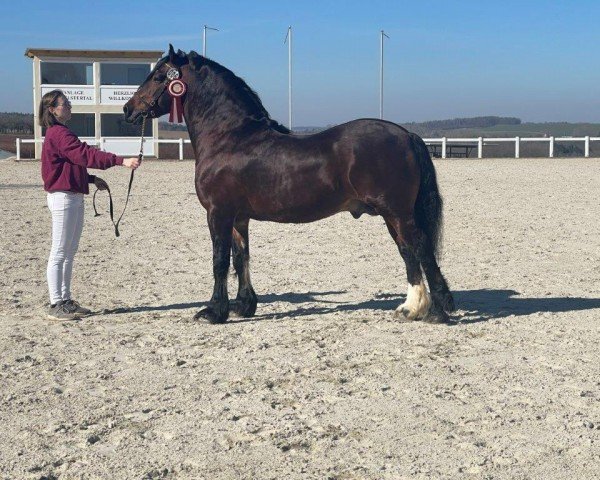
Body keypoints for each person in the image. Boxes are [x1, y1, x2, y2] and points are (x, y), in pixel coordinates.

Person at [40, 89, 140, 320]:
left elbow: (68, 166)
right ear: (53, 109)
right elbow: (84, 155)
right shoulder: (59, 134)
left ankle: (65, 299)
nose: (70, 105)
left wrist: (91, 179)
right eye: (65, 103)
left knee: (69, 251)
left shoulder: (60, 133)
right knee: (60, 251)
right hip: (63, 197)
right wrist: (120, 161)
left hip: (72, 195)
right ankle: (56, 303)